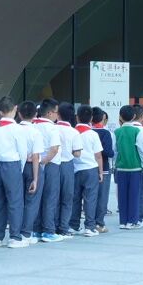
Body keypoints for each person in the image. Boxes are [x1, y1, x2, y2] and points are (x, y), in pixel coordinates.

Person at [0, 97, 28, 247]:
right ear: (16, 108)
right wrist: (20, 168)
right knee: (15, 201)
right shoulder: (18, 129)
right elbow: (23, 152)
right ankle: (15, 237)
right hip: (12, 165)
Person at [31, 99, 63, 243]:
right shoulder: (52, 128)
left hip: (36, 165)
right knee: (50, 198)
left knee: (38, 198)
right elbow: (54, 149)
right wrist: (44, 161)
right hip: (50, 165)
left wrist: (39, 162)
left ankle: (37, 230)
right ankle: (48, 231)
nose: (57, 115)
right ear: (50, 113)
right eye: (56, 112)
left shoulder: (34, 125)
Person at [72, 104, 105, 234]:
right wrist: (100, 172)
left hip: (75, 169)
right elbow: (98, 156)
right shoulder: (93, 134)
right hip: (90, 169)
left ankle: (73, 225)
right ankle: (89, 227)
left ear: (77, 117)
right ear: (91, 118)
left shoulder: (72, 132)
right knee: (90, 199)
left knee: (75, 199)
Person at [17, 100, 45, 243]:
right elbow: (35, 156)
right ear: (35, 114)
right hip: (31, 167)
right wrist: (35, 178)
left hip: (16, 166)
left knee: (17, 200)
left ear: (19, 114)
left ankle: (16, 231)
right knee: (31, 201)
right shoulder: (35, 132)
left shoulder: (15, 129)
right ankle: (26, 233)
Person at [52, 102, 82, 238]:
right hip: (67, 165)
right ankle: (63, 227)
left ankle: (52, 226)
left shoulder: (53, 128)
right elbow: (77, 153)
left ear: (57, 114)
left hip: (53, 164)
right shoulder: (74, 132)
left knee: (53, 197)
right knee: (67, 198)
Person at [113, 105, 143, 229]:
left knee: (122, 195)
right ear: (134, 116)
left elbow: (115, 151)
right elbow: (141, 150)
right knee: (134, 195)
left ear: (120, 117)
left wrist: (116, 164)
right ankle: (132, 221)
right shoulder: (137, 131)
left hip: (121, 167)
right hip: (135, 167)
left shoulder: (116, 132)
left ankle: (123, 221)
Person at [91, 107, 114, 231]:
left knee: (90, 197)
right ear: (102, 119)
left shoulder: (87, 131)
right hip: (103, 168)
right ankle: (99, 223)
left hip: (89, 167)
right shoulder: (105, 133)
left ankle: (90, 222)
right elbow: (109, 152)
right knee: (102, 197)